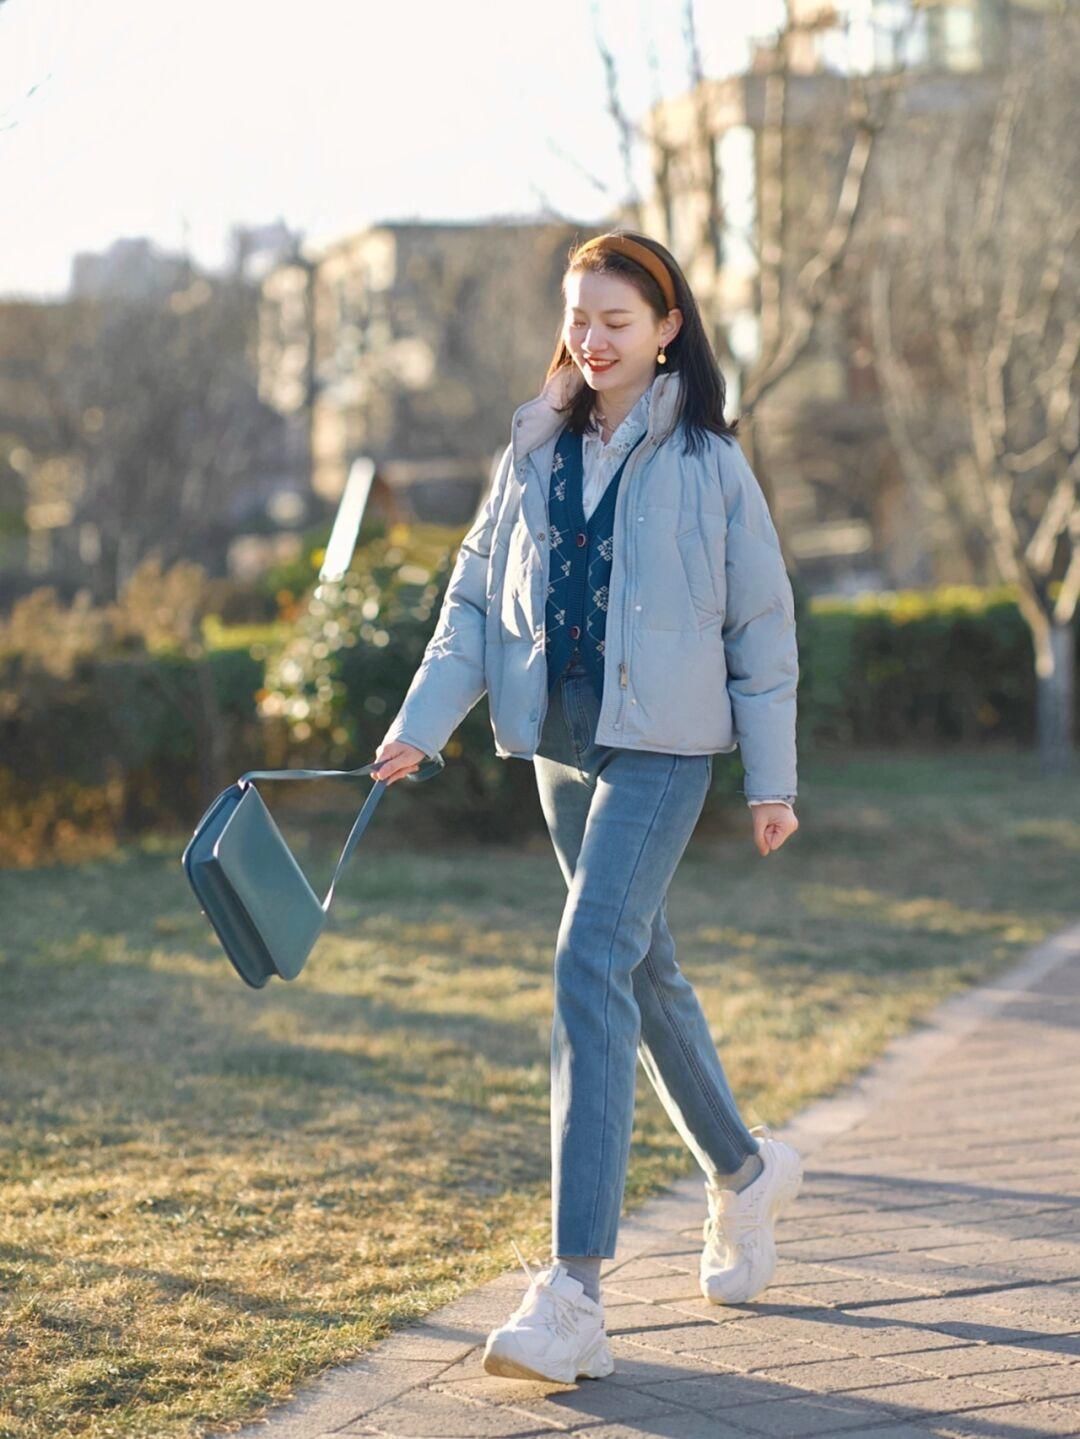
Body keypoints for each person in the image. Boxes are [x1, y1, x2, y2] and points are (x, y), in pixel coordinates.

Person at [372, 229, 803, 1386]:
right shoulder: (532, 446)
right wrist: (424, 721)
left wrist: (771, 777)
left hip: (666, 749)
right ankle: (747, 1169)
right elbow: (474, 596)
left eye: (617, 319)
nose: (592, 339)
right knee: (638, 966)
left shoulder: (709, 461)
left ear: (667, 330)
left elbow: (760, 623)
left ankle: (575, 1292)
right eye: (579, 317)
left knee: (585, 961)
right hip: (559, 743)